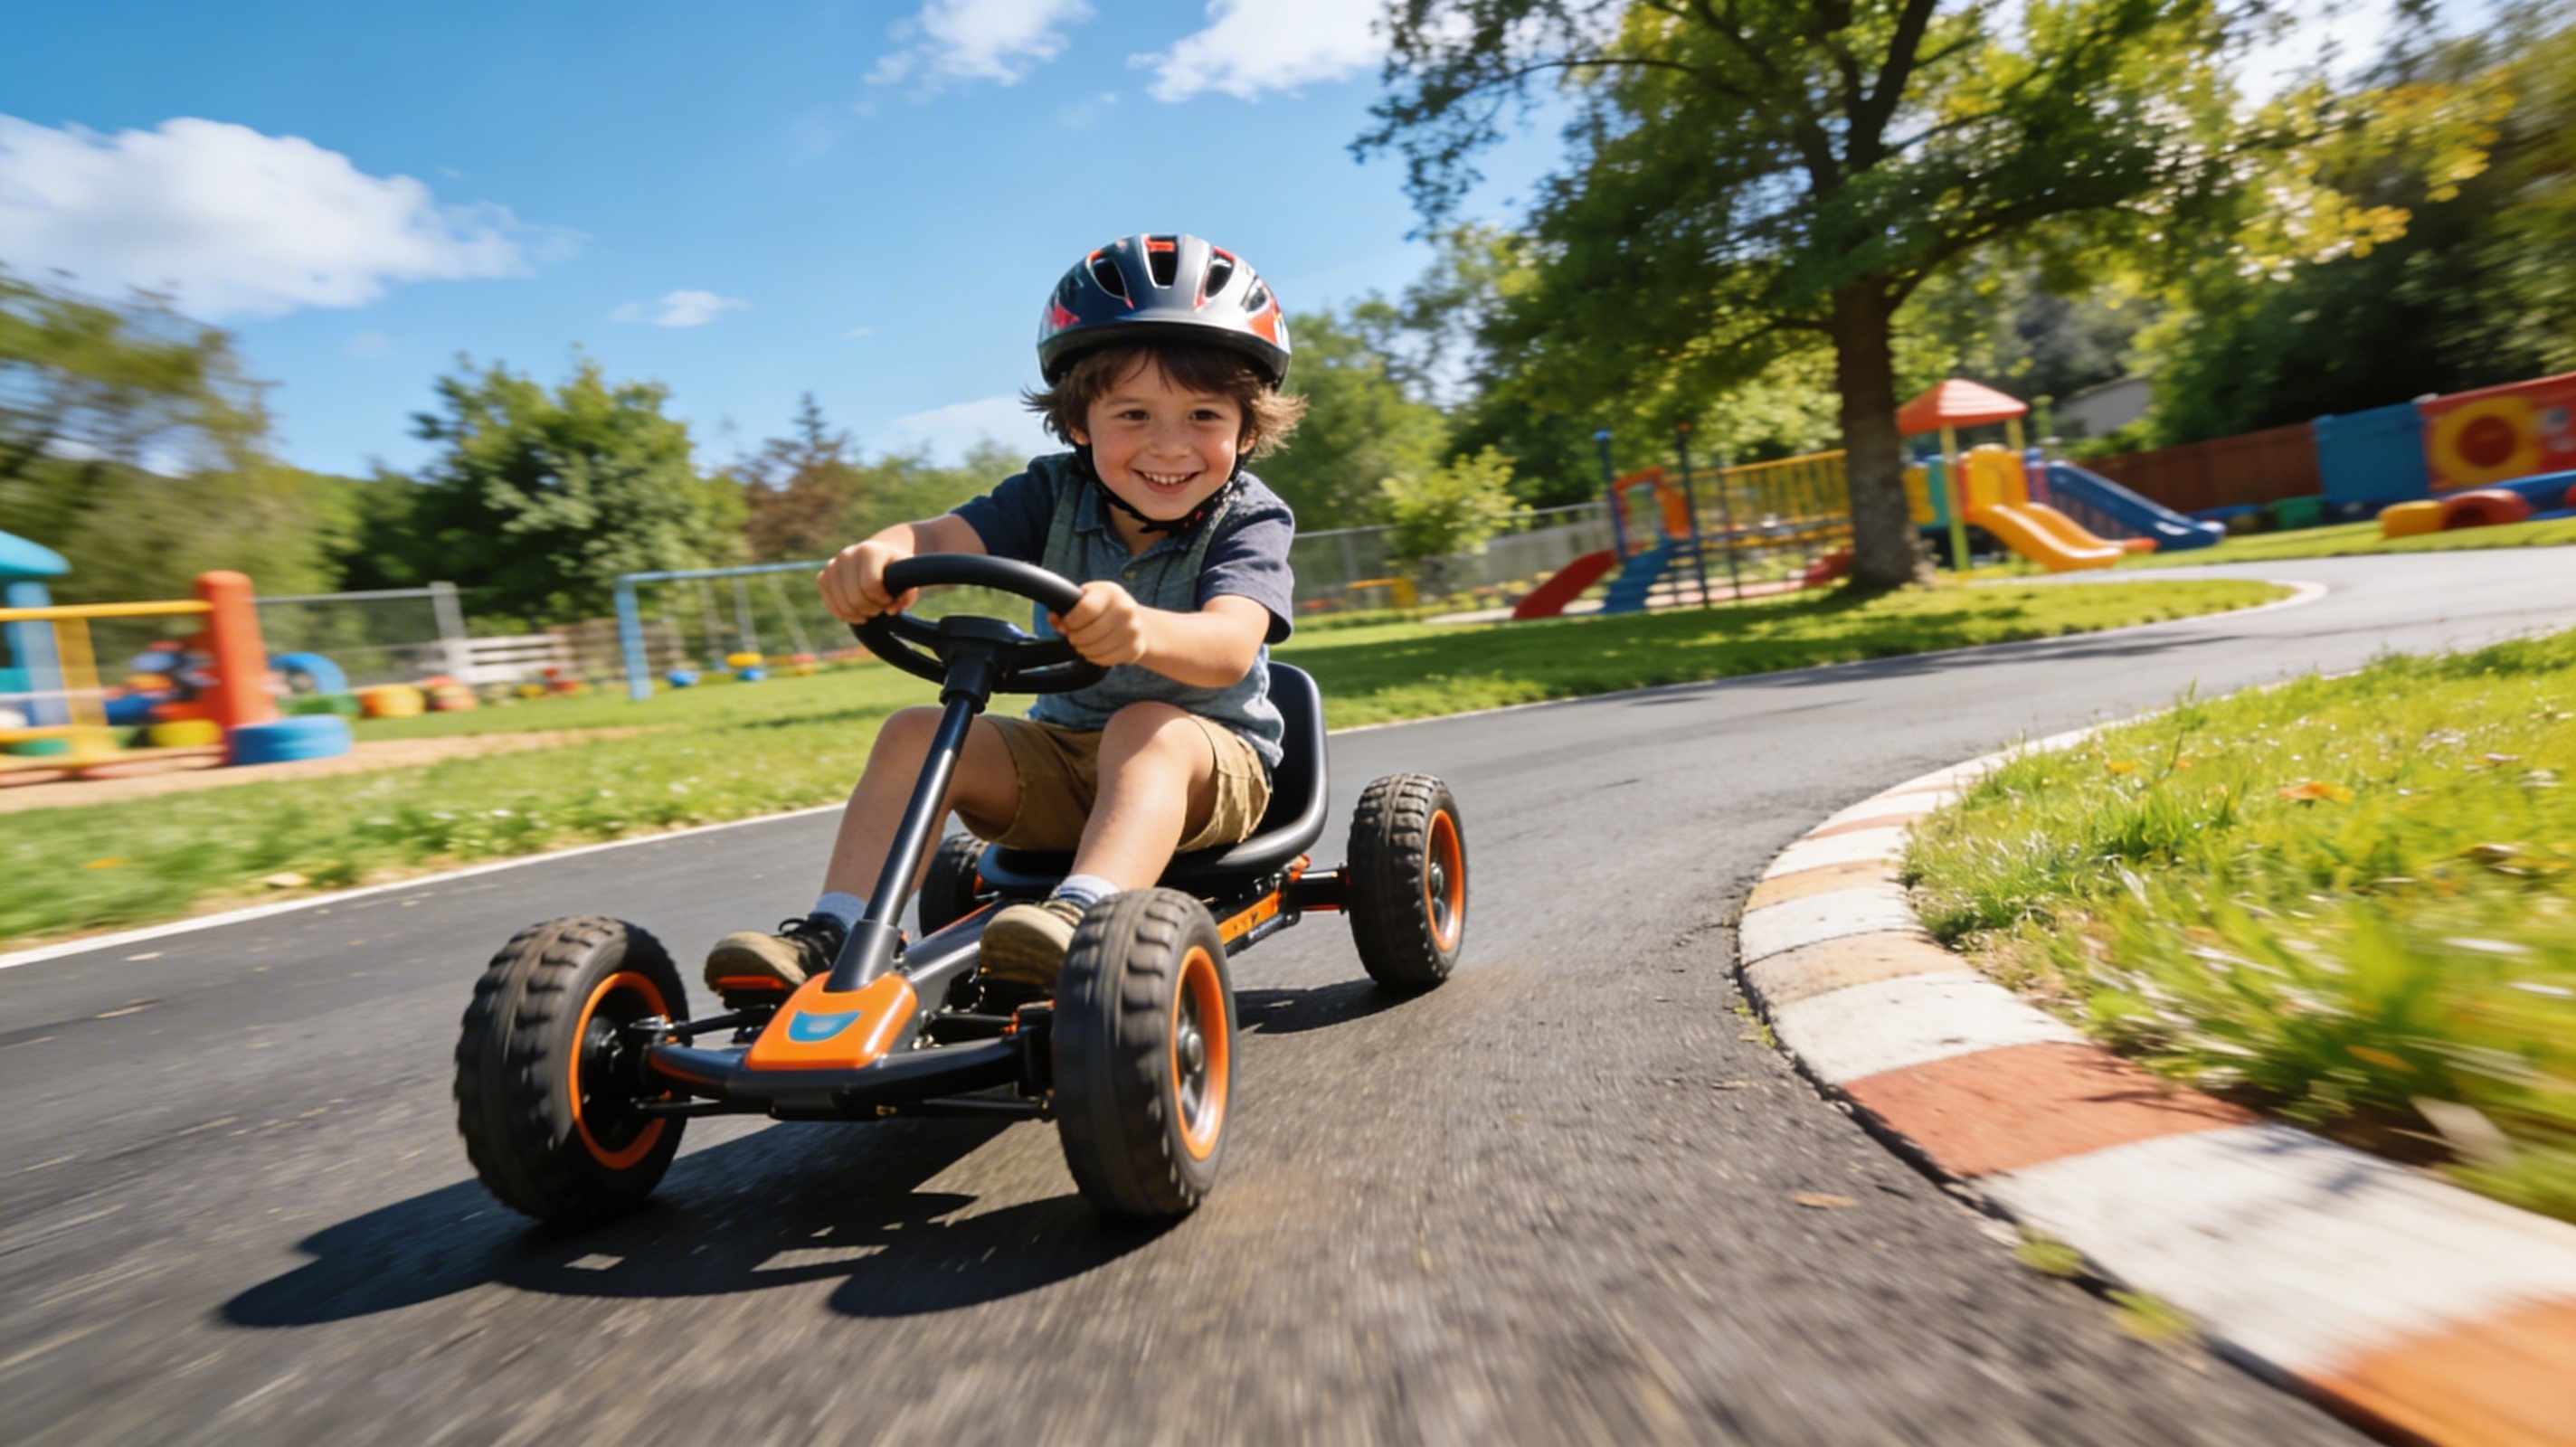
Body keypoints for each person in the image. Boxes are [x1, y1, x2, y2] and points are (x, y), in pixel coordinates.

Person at [704, 233, 1305, 999]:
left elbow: (1229, 645)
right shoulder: (1052, 493)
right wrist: (881, 554)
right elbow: (938, 538)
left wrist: (1143, 630)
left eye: (1202, 415)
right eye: (1133, 414)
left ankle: (1081, 913)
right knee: (912, 732)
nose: (1169, 445)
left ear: (1247, 429)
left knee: (1146, 728)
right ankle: (833, 931)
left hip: (1208, 772)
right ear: (1079, 421)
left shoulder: (1250, 519)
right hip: (1063, 757)